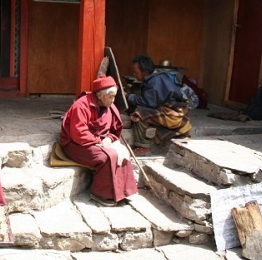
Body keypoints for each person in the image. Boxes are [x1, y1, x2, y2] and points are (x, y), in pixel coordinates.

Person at [60, 75, 138, 207]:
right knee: (107, 156)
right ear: (100, 95)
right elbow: (78, 133)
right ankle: (100, 194)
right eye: (110, 96)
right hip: (76, 144)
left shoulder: (110, 107)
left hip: (99, 142)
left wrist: (109, 138)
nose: (113, 100)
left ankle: (122, 192)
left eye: (114, 96)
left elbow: (115, 130)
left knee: (123, 152)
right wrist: (98, 141)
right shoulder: (82, 105)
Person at [127, 54, 192, 154]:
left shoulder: (154, 81)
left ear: (145, 71)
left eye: (136, 72)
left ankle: (142, 146)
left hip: (173, 114)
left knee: (139, 113)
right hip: (171, 111)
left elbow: (149, 103)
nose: (134, 74)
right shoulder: (156, 78)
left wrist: (131, 97)